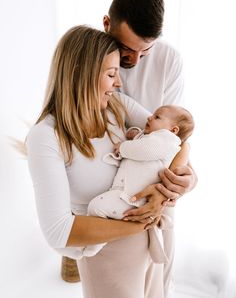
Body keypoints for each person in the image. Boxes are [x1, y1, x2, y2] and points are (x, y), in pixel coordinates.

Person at [27, 25, 189, 298]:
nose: (119, 82)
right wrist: (138, 224)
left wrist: (170, 190)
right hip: (106, 257)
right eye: (112, 74)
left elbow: (176, 140)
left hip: (148, 247)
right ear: (82, 73)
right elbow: (59, 232)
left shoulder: (117, 106)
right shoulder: (46, 137)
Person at [61, 0, 197, 297]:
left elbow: (178, 134)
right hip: (100, 180)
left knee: (158, 272)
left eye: (144, 52)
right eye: (127, 50)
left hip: (152, 174)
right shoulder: (85, 58)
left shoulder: (169, 61)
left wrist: (171, 188)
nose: (134, 60)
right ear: (107, 24)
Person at [82, 105, 194, 263]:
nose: (149, 117)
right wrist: (134, 133)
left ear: (174, 130)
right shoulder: (155, 138)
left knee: (95, 207)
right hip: (126, 193)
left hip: (133, 199)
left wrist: (123, 147)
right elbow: (144, 142)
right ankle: (96, 242)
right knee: (98, 208)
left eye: (157, 117)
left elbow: (146, 150)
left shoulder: (168, 141)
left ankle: (93, 246)